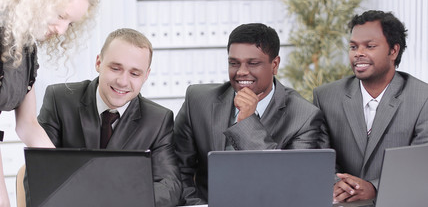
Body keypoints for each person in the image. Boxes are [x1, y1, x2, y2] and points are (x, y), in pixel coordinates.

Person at [174, 23, 324, 205]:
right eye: (233, 63)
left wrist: (247, 122)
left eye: (253, 63)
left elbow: (288, 183)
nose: (241, 72)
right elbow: (178, 172)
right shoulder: (198, 101)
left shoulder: (304, 117)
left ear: (275, 64)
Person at [37, 28, 181, 207]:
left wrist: (118, 201)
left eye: (134, 73)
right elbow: (38, 173)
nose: (122, 81)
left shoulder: (158, 120)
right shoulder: (59, 100)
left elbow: (169, 187)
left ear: (146, 76)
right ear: (98, 62)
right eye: (115, 68)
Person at [0, 0, 98, 206]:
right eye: (61, 16)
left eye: (71, 24)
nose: (62, 30)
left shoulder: (27, 49)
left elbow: (28, 126)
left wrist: (66, 174)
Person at [313, 10, 428, 203]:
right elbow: (318, 155)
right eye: (353, 46)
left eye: (370, 46)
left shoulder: (422, 98)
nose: (358, 53)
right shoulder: (325, 96)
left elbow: (422, 164)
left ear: (393, 51)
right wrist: (337, 183)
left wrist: (375, 187)